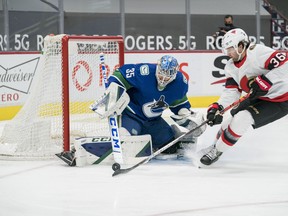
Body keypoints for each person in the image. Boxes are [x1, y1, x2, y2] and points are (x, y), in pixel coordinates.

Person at [57, 55, 206, 166]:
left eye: (168, 75)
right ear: (158, 68)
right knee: (124, 142)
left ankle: (145, 144)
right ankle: (79, 151)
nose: (163, 77)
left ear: (175, 74)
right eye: (161, 72)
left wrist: (186, 115)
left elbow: (179, 104)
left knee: (170, 146)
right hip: (131, 116)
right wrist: (113, 91)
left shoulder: (180, 83)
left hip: (153, 122)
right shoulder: (144, 72)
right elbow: (120, 75)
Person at [200, 28, 288, 166]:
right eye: (226, 50)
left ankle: (217, 151)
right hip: (259, 96)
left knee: (242, 119)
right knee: (227, 122)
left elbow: (286, 63)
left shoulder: (257, 52)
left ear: (241, 45)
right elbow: (231, 92)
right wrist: (218, 107)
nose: (228, 53)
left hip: (281, 99)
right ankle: (214, 146)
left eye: (230, 49)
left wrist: (266, 80)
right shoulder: (230, 66)